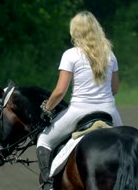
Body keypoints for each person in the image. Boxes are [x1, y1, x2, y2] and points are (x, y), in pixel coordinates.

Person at [36, 11, 123, 190]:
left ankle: (47, 184)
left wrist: (47, 107)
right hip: (110, 112)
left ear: (75, 31)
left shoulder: (70, 55)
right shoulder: (110, 55)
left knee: (43, 140)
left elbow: (60, 91)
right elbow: (115, 89)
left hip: (78, 111)